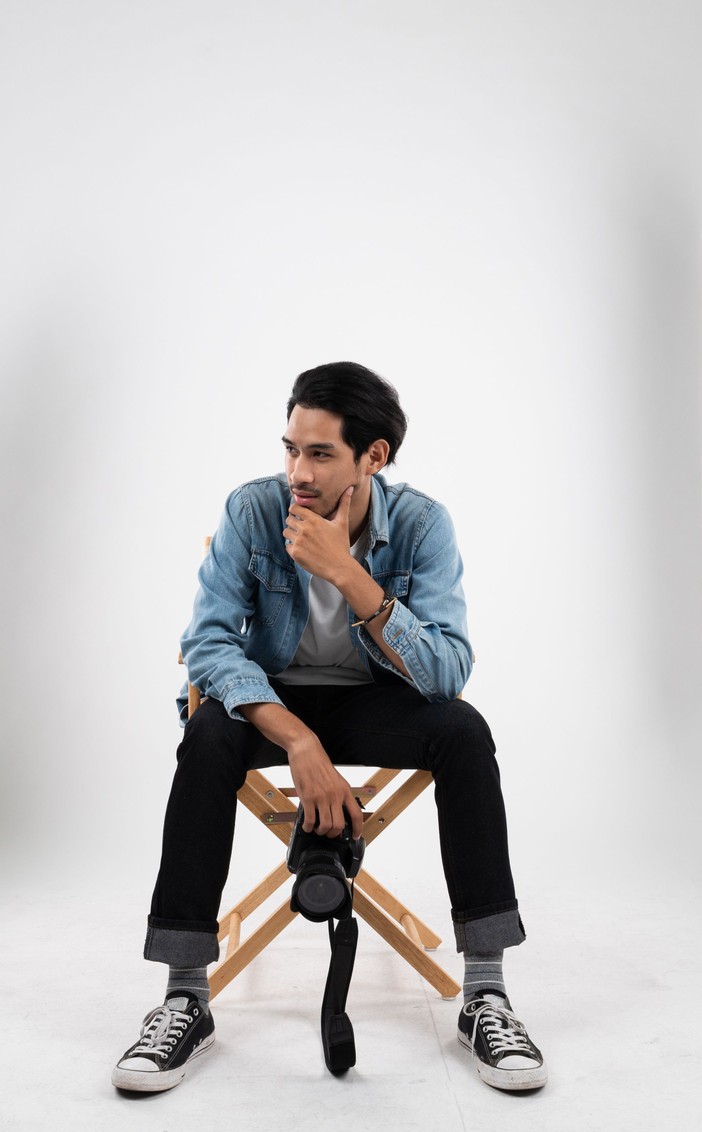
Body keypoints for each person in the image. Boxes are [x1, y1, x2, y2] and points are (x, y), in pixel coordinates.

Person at [111, 361, 546, 1094]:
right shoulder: (253, 511)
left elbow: (445, 674)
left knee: (464, 731)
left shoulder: (420, 524)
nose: (297, 472)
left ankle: (485, 993)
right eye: (290, 449)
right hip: (275, 702)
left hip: (377, 698)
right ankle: (185, 997)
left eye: (319, 454)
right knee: (208, 734)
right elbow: (209, 646)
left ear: (372, 456)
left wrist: (349, 574)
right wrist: (298, 742)